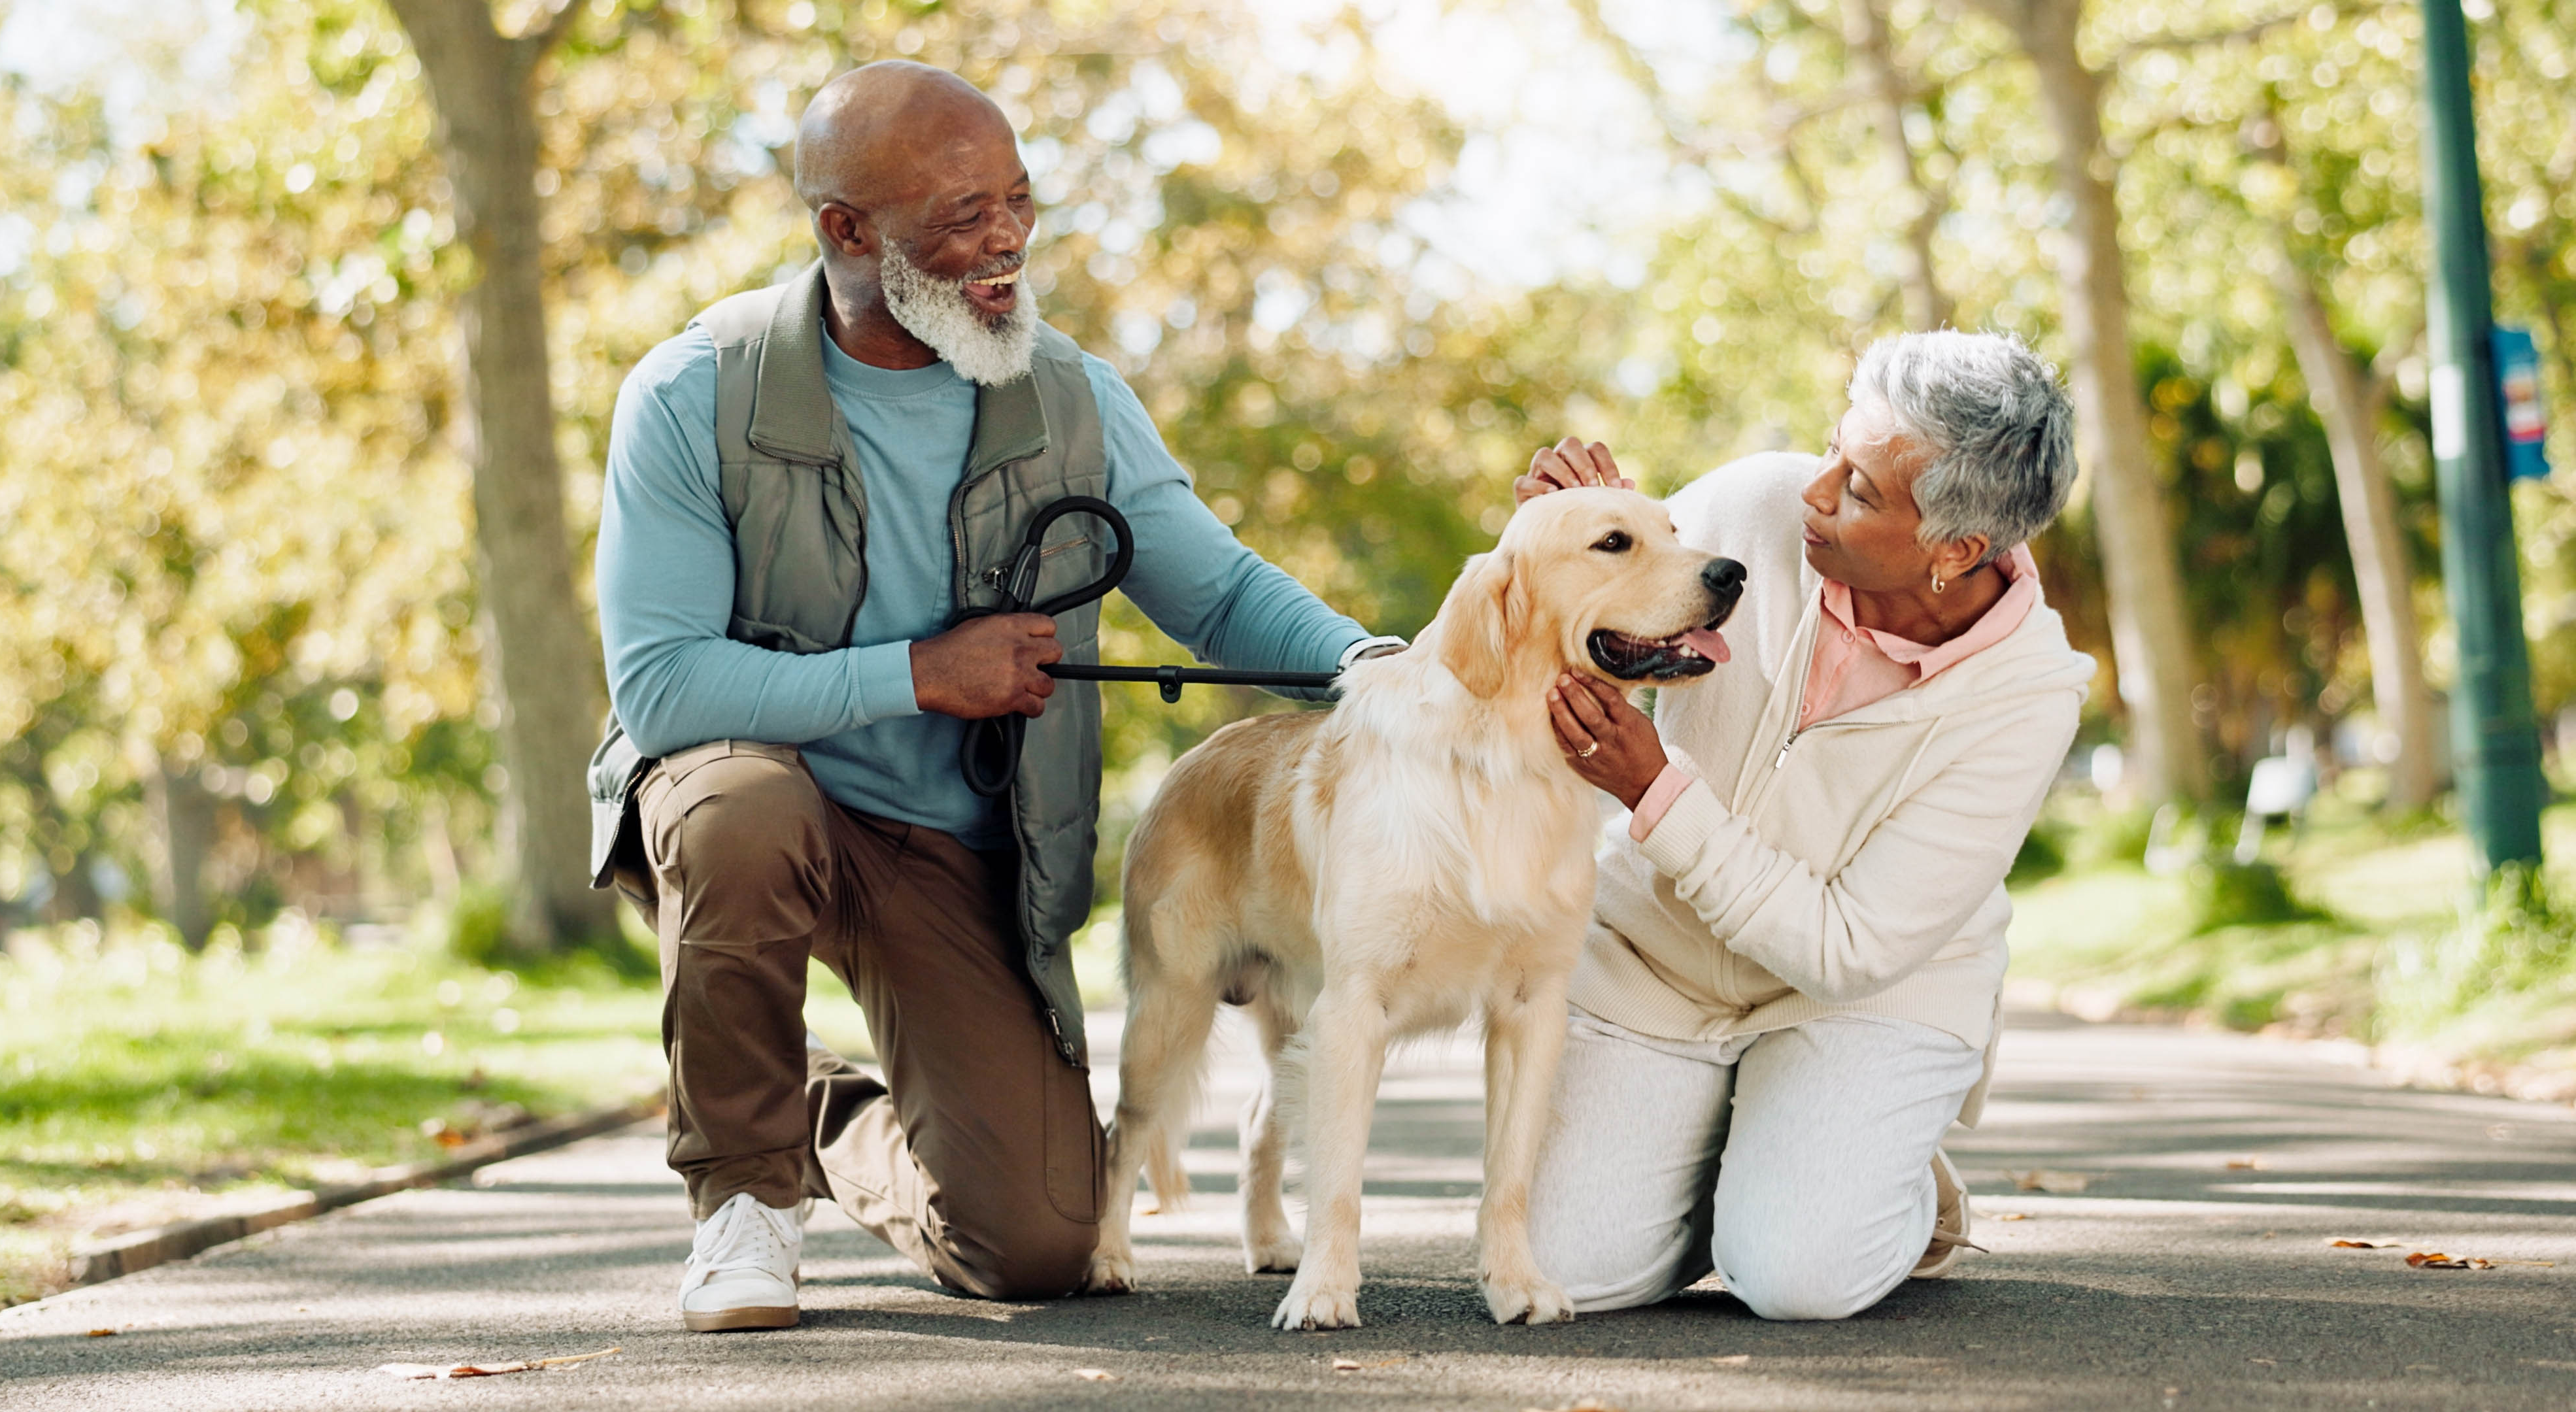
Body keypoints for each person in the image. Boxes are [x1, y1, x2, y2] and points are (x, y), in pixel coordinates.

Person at [588, 60, 1404, 1332]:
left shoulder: (1070, 397)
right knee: (736, 812)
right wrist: (923, 674)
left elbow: (1222, 595)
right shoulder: (695, 393)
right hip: (760, 796)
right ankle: (741, 1202)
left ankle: (806, 1117)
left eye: (1018, 201)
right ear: (845, 230)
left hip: (957, 848)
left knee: (1038, 1244)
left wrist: (1377, 673)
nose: (1007, 239)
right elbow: (662, 685)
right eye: (963, 214)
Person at [1517, 329, 2093, 1320]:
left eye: (1861, 489)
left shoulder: (2031, 696)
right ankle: (1751, 1161)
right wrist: (1561, 535)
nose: (1814, 491)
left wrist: (1657, 791)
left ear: (1956, 549)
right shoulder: (1751, 506)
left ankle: (1886, 1183)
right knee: (1562, 1275)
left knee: (1801, 1277)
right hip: (1656, 964)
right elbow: (1563, 635)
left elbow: (1850, 947)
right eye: (1834, 448)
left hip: (1864, 997)